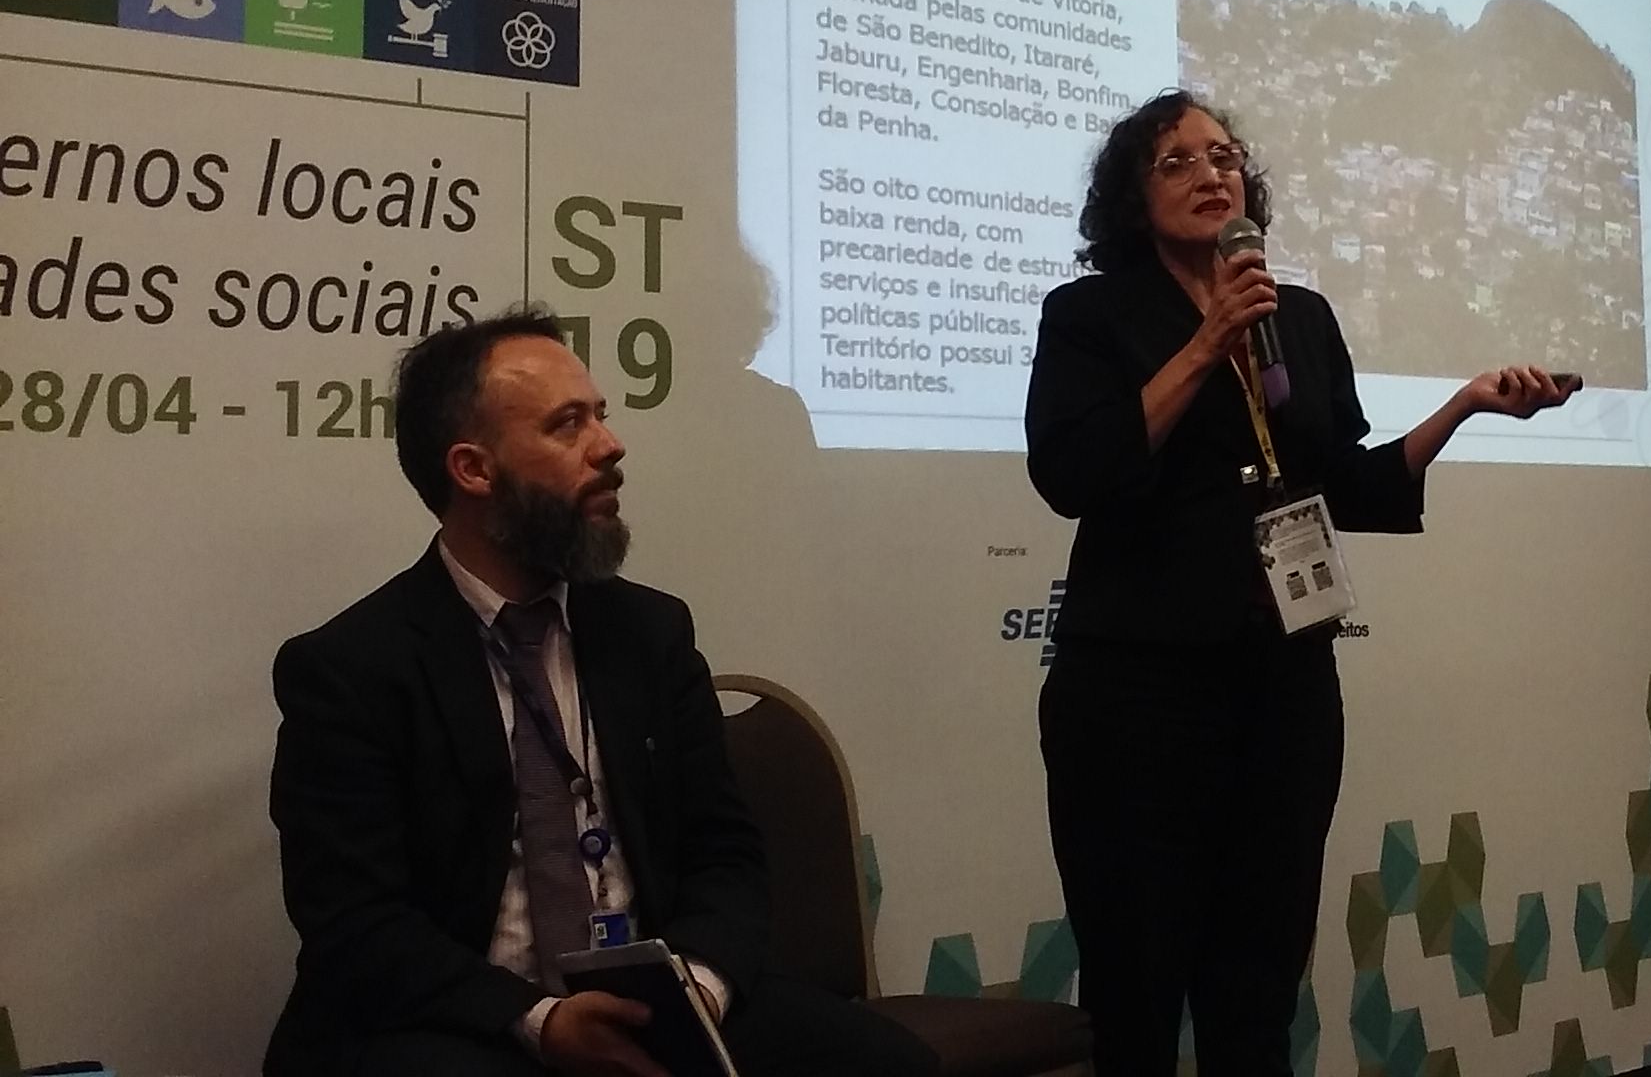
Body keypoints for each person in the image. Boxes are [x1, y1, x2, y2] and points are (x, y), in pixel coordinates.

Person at [1024, 92, 1572, 1077]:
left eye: (1224, 156)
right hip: (1138, 697)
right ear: (1133, 195)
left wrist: (1464, 408)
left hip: (1283, 686)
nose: (1211, 175)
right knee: (1136, 992)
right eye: (1178, 161)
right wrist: (1207, 344)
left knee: (1257, 990)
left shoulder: (1300, 317)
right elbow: (1076, 472)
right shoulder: (1091, 315)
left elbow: (1342, 481)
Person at [265, 307, 939, 1077]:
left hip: (656, 1004)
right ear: (474, 470)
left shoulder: (649, 633)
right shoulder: (352, 668)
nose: (610, 445)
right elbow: (355, 924)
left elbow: (725, 854)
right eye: (568, 425)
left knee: (888, 1064)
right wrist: (542, 1021)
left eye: (602, 416)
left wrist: (700, 991)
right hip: (465, 1020)